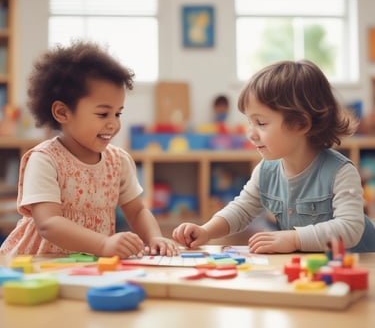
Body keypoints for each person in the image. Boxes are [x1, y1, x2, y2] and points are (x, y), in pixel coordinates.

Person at [173, 60, 375, 253]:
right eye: (250, 122)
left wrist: (294, 239)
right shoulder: (266, 170)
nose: (250, 133)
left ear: (300, 124)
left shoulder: (340, 172)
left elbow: (350, 228)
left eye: (260, 123)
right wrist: (207, 231)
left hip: (361, 265)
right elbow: (242, 209)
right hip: (315, 267)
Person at [0, 41, 179, 258]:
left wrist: (154, 237)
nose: (113, 124)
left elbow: (137, 210)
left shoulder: (118, 161)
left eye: (118, 113)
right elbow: (49, 223)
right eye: (103, 114)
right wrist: (104, 244)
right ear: (62, 113)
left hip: (89, 263)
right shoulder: (45, 160)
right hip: (40, 263)